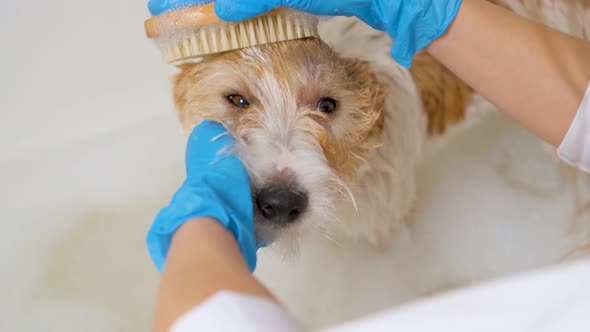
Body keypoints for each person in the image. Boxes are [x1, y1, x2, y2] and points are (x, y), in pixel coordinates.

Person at [146, 0, 590, 331]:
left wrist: (202, 224)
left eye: (326, 106)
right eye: (238, 101)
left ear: (371, 111)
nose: (279, 177)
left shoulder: (381, 144)